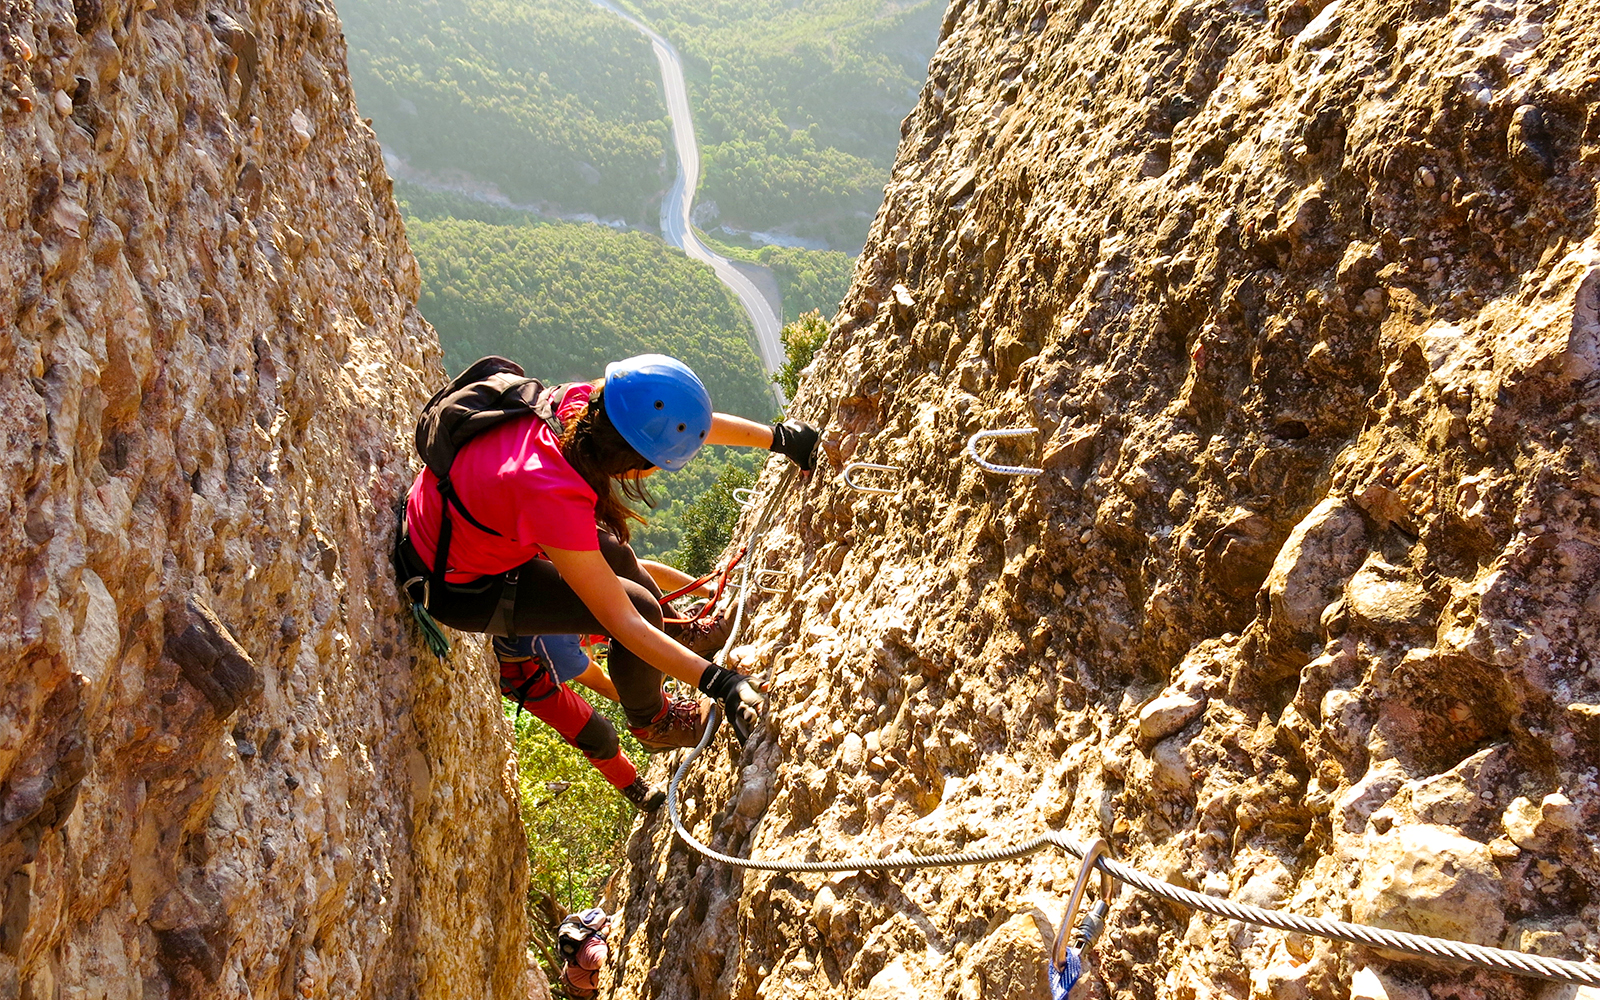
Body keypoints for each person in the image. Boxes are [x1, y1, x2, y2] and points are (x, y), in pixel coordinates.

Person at [397, 354, 820, 804]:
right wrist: (722, 683)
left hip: (462, 524)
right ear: (636, 463)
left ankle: (680, 636)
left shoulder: (588, 409)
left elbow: (680, 422)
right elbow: (622, 621)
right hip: (458, 585)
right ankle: (652, 721)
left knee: (615, 553)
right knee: (639, 608)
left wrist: (778, 438)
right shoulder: (551, 493)